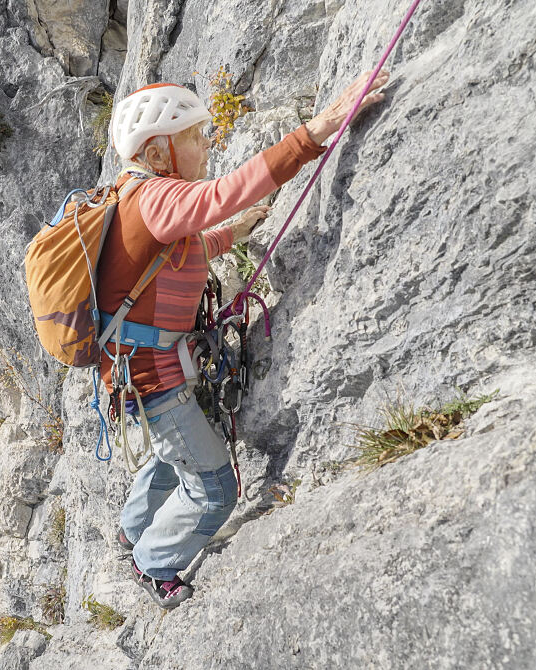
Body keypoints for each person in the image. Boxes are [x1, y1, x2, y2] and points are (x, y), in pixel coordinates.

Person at [98, 72, 389, 608]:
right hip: (154, 381)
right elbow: (221, 195)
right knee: (214, 487)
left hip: (141, 375)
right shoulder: (156, 195)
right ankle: (154, 559)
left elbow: (184, 250)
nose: (206, 145)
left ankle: (130, 527)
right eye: (194, 136)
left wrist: (242, 229)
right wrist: (314, 132)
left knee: (176, 452)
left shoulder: (136, 198)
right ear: (159, 149)